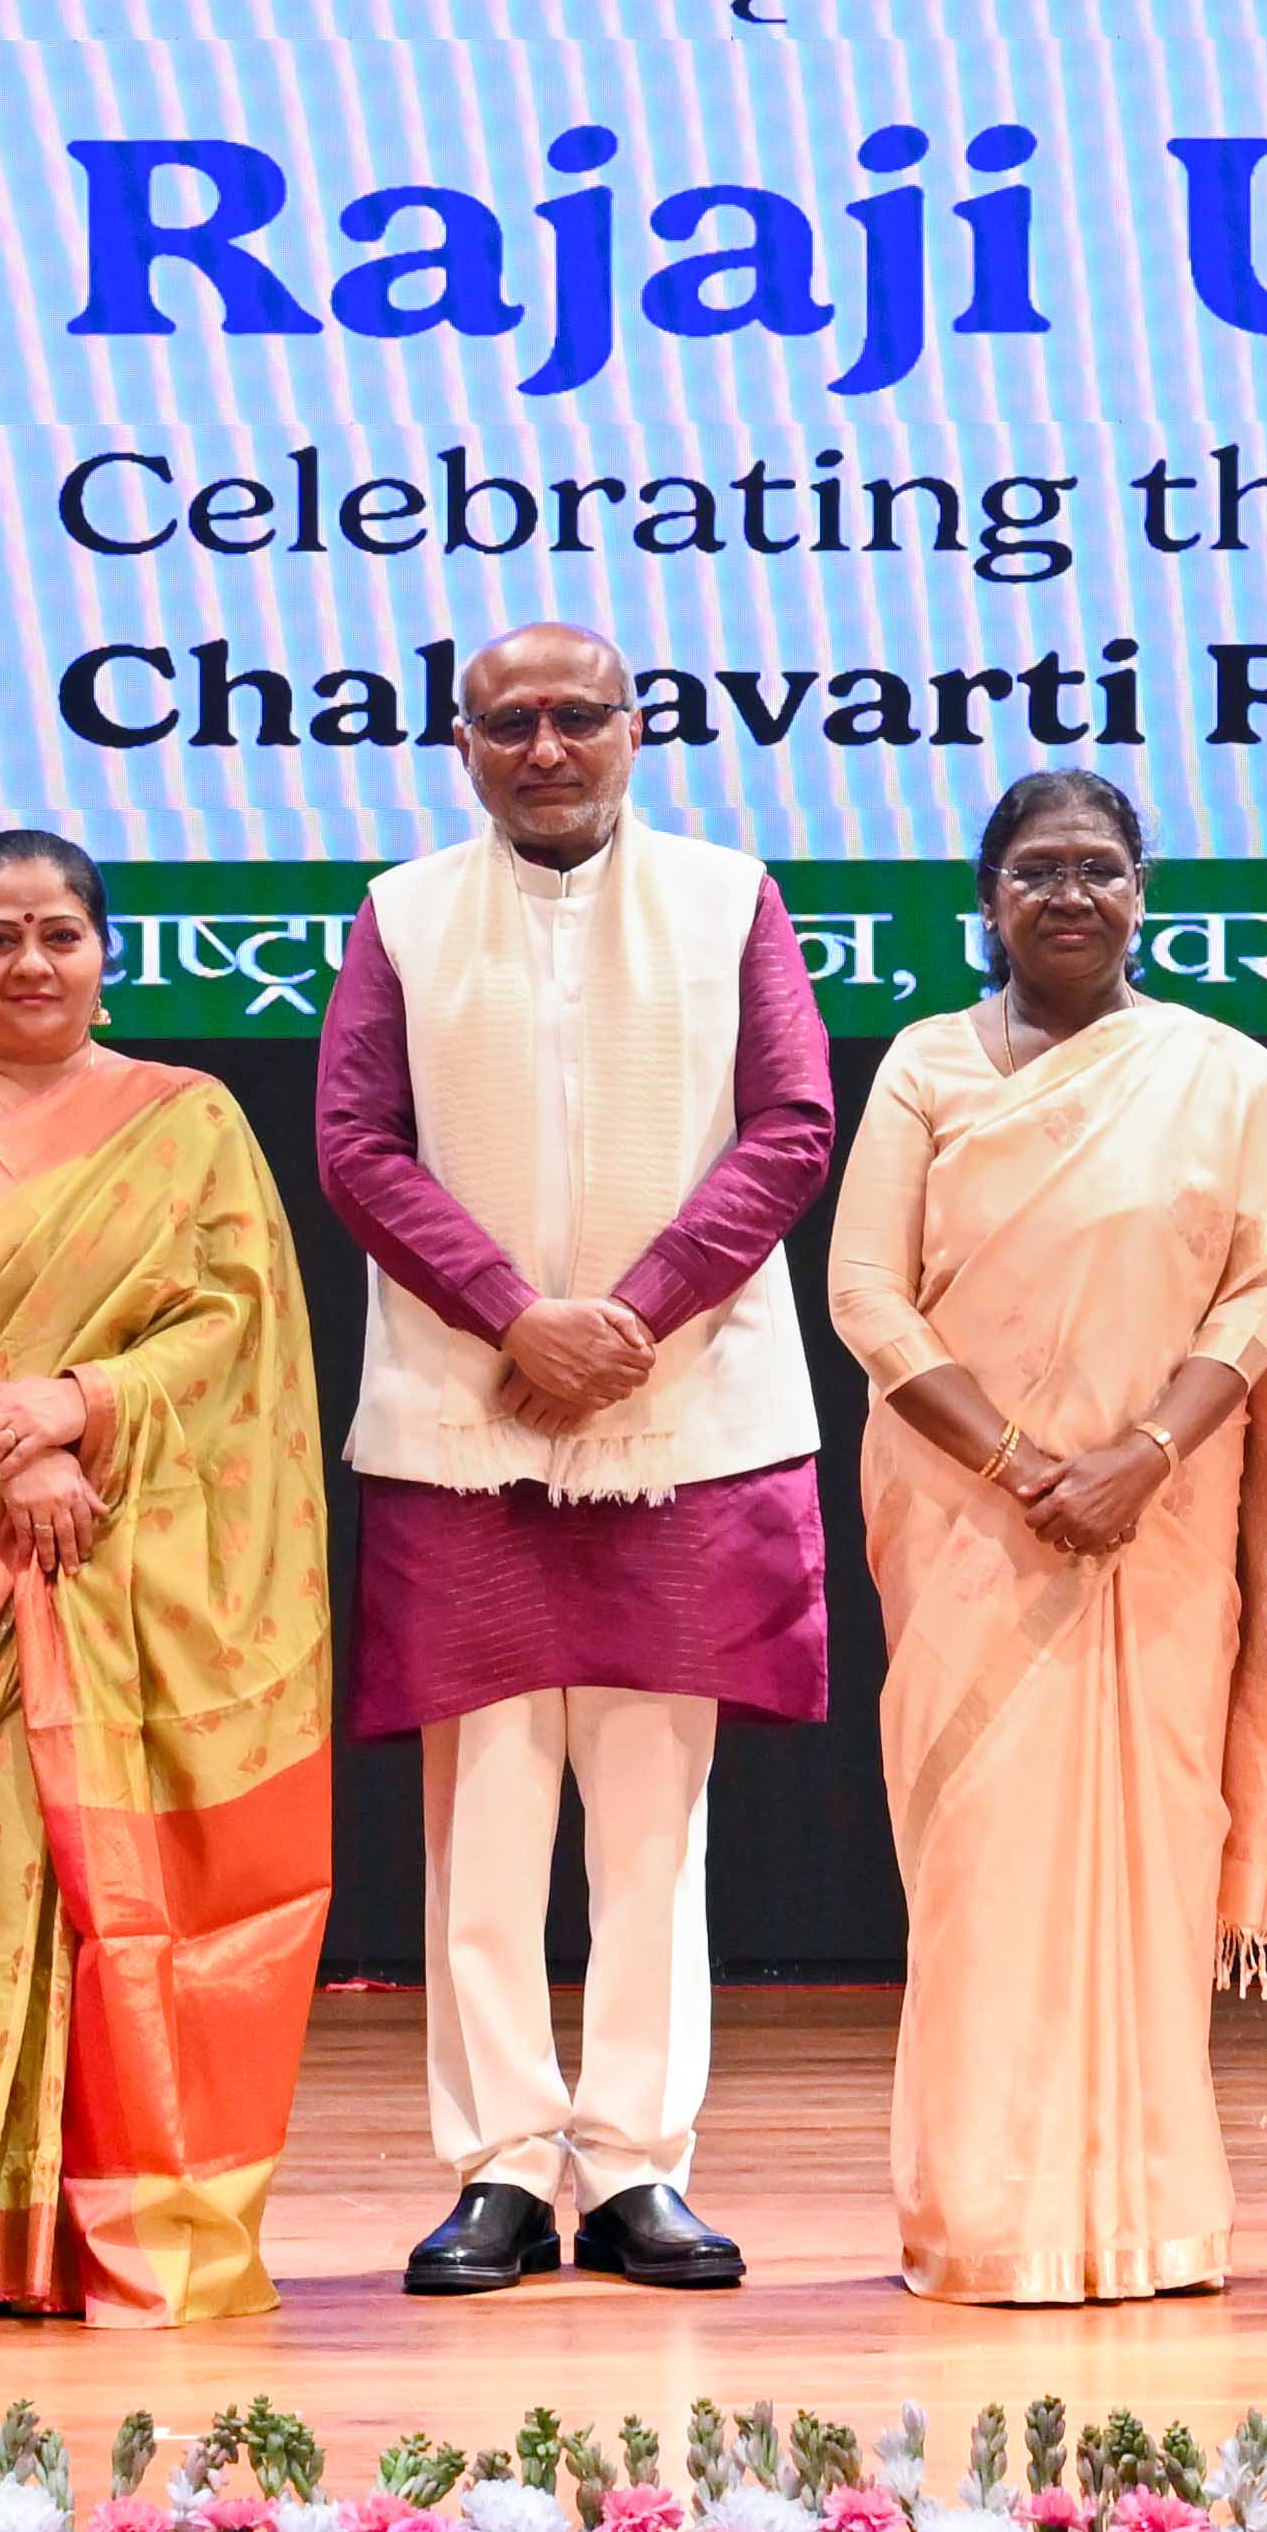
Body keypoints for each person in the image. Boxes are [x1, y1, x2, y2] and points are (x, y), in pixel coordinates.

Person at [313, 626, 837, 2299]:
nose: (547, 748)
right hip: (470, 1419)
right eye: (510, 722)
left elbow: (791, 1124)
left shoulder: (727, 896)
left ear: (636, 727)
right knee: (480, 1818)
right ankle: (494, 2165)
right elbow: (356, 1145)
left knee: (648, 1816)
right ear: (459, 746)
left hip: (676, 1416)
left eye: (577, 717)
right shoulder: (401, 915)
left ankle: (631, 2165)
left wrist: (631, 1315)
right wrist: (510, 1317)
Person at [819, 770, 1267, 2302]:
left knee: (1147, 1857)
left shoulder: (1225, 1077)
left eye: (1098, 869)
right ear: (985, 902)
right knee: (979, 1864)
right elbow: (864, 1294)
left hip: (1162, 1524)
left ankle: (1149, 2213)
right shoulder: (929, 1066)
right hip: (965, 1524)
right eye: (1035, 871)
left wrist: (1139, 1458)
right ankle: (982, 2215)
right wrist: (1019, 1466)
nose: (1068, 895)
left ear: (1143, 893)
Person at [0, 833, 335, 2322]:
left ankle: (129, 2216)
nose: (30, 965)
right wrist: (4, 1427)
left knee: (133, 1884)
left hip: (123, 1535)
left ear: (106, 953)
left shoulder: (191, 1120)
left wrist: (79, 1407)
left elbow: (229, 1327)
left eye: (58, 936)